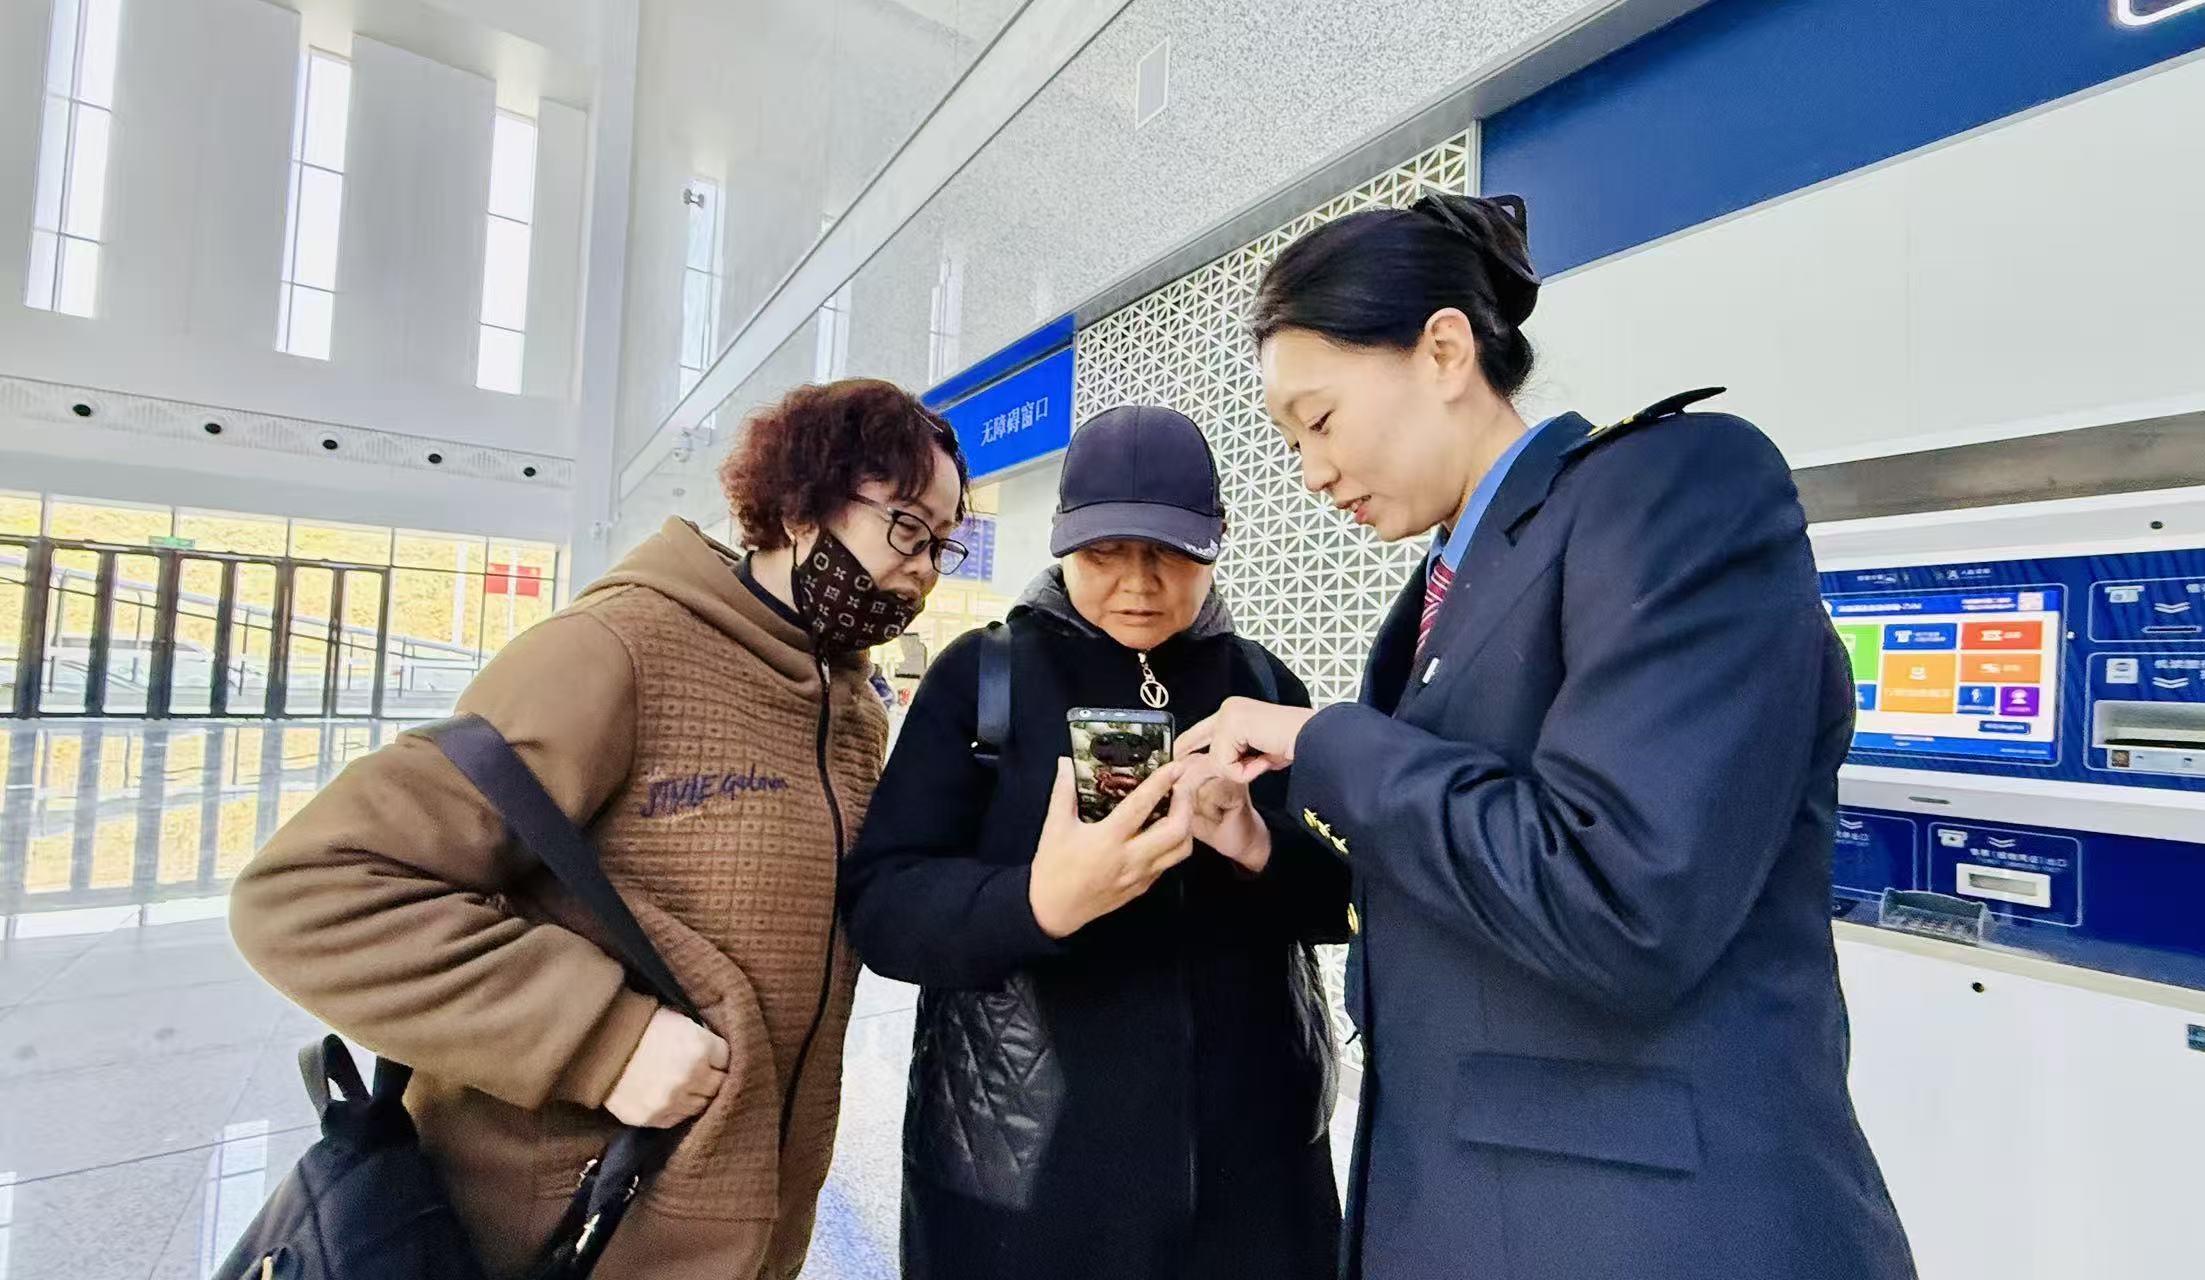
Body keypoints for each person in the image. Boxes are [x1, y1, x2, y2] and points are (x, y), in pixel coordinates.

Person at [1177, 194, 1918, 1279]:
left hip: (1642, 1230)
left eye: (1320, 420)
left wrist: (1328, 741)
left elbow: (1620, 898)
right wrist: (1264, 847)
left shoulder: (1674, 489)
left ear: (1442, 349)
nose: (1313, 473)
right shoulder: (1438, 591)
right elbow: (1469, 882)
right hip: (1478, 1205)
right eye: (1291, 441)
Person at [230, 379, 970, 1280]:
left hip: (751, 1232)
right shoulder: (616, 648)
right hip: (559, 1230)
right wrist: (601, 1039)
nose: (925, 567)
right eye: (905, 527)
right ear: (801, 501)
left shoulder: (851, 708)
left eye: (942, 543)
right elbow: (314, 889)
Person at [841, 405, 1351, 1280]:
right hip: (1029, 1184)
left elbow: (1342, 898)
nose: (1139, 584)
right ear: (1062, 543)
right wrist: (1038, 902)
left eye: (1171, 552)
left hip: (1257, 1182)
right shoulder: (982, 679)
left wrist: (1256, 840)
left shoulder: (1260, 684)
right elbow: (882, 906)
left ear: (1218, 539)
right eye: (1105, 553)